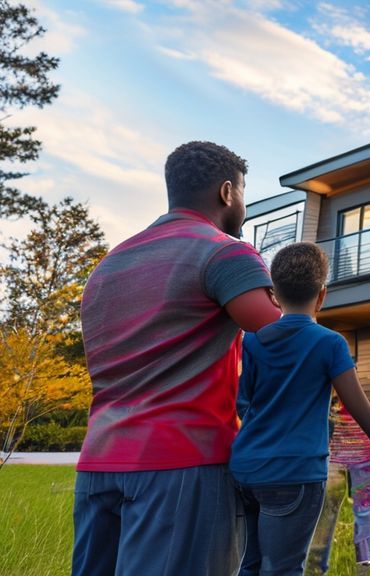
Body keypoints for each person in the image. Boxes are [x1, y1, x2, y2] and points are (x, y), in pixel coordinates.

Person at [73, 141, 281, 576]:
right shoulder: (224, 251)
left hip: (97, 463)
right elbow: (283, 336)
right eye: (243, 192)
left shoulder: (108, 266)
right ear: (227, 192)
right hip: (181, 465)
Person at [230, 242, 370, 576]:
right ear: (321, 296)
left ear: (275, 295)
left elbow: (244, 401)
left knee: (252, 562)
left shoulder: (253, 341)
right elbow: (353, 398)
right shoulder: (329, 343)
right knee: (284, 567)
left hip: (247, 468)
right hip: (295, 472)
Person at [306, 403, 370, 576]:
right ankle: (361, 568)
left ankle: (319, 570)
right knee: (361, 510)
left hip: (338, 440)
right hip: (342, 441)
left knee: (328, 512)